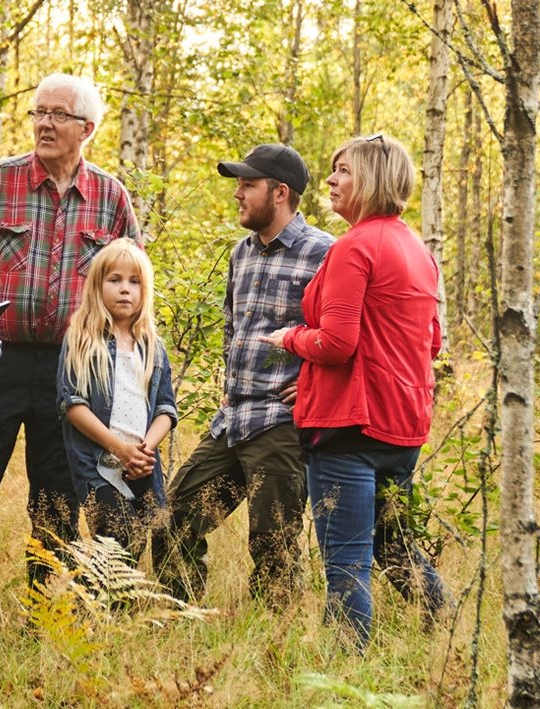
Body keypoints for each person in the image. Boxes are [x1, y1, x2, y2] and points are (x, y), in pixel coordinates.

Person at [0, 73, 142, 595]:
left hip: (72, 367)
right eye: (38, 112)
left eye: (58, 114)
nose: (44, 124)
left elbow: (133, 282)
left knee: (57, 490)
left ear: (88, 128)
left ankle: (45, 604)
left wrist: (124, 364)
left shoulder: (110, 197)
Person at [262, 133, 448, 648]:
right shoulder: (418, 250)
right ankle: (447, 634)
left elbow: (338, 343)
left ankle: (347, 669)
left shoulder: (354, 248)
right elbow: (428, 344)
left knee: (345, 561)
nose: (330, 180)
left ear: (370, 179)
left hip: (348, 430)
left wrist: (289, 339)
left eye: (342, 170)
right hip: (403, 426)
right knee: (395, 546)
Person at [151, 143, 334, 604]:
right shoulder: (241, 253)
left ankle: (276, 649)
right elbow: (234, 327)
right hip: (233, 420)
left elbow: (347, 335)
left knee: (273, 546)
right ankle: (181, 622)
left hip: (281, 426)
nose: (238, 193)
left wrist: (314, 385)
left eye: (247, 185)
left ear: (280, 193)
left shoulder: (325, 254)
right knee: (172, 520)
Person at [57, 240, 176, 559]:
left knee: (148, 537)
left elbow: (166, 408)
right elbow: (74, 406)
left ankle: (130, 609)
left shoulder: (153, 346)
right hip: (99, 463)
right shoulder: (81, 340)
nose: (126, 290)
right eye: (115, 280)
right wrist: (119, 449)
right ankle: (94, 608)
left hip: (141, 463)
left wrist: (144, 451)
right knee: (117, 535)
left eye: (134, 282)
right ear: (98, 286)